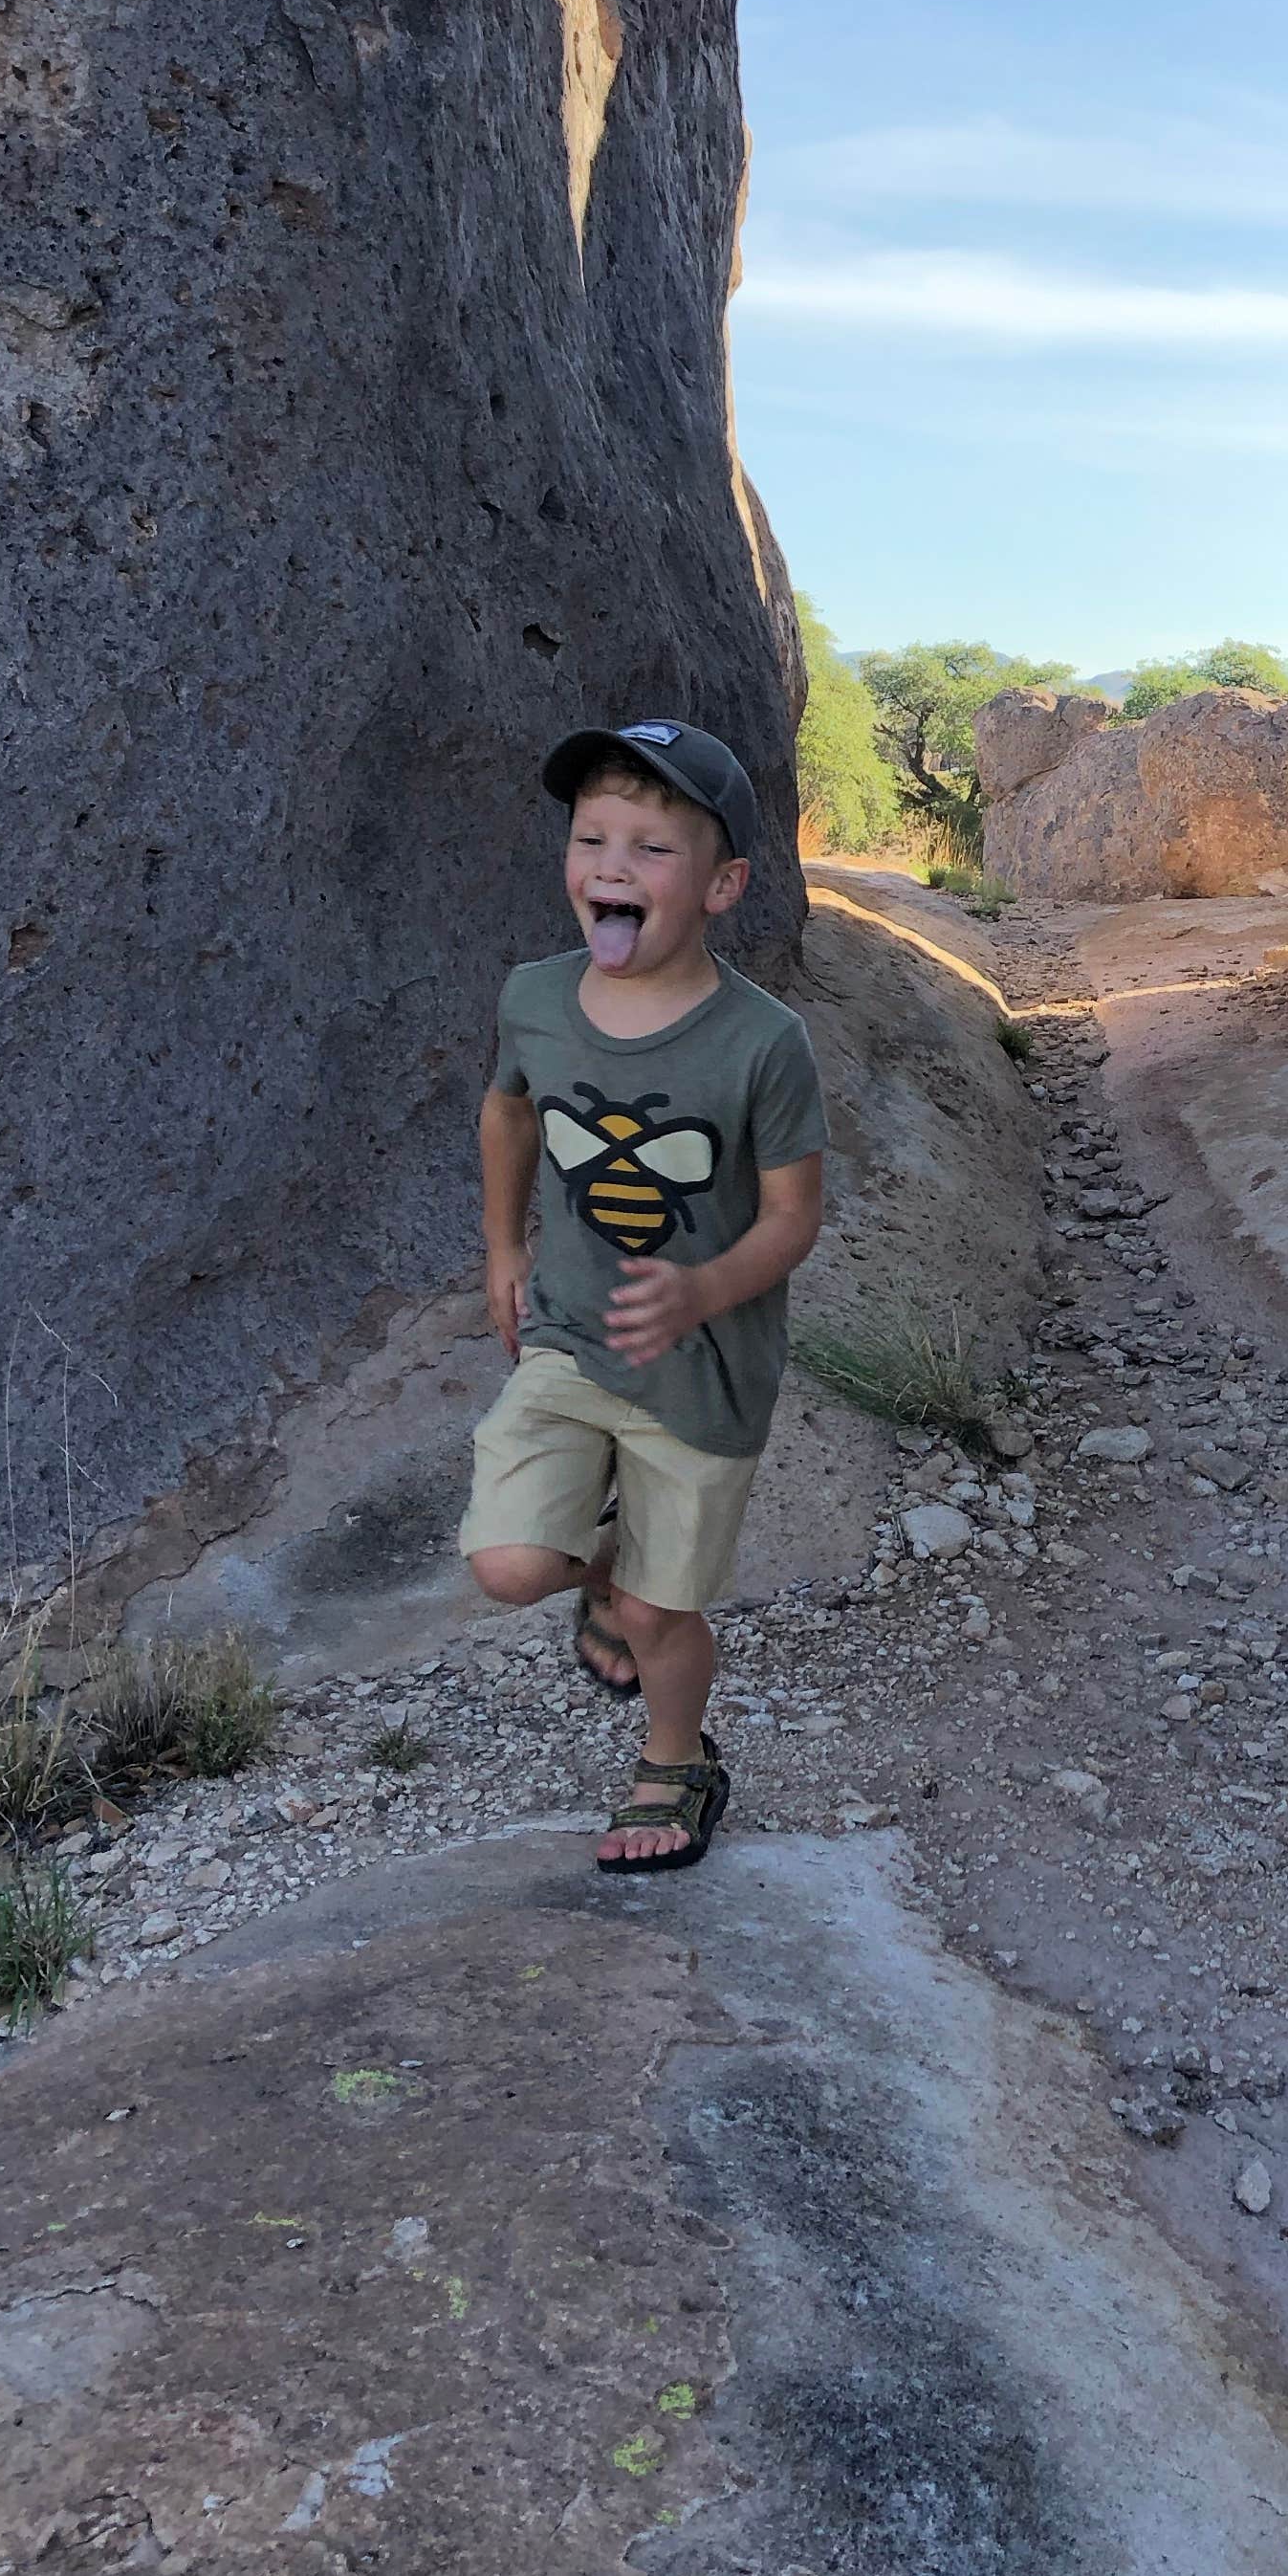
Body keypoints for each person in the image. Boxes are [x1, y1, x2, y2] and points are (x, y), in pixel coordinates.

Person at [457, 718, 826, 1871]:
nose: (611, 868)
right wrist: (503, 1248)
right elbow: (509, 1108)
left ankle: (676, 1759)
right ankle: (596, 1567)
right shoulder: (533, 996)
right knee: (510, 1564)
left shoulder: (765, 1045)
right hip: (569, 1333)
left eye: (651, 850)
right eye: (592, 839)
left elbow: (793, 1216)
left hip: (704, 1371)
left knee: (664, 1616)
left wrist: (701, 1290)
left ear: (723, 886)